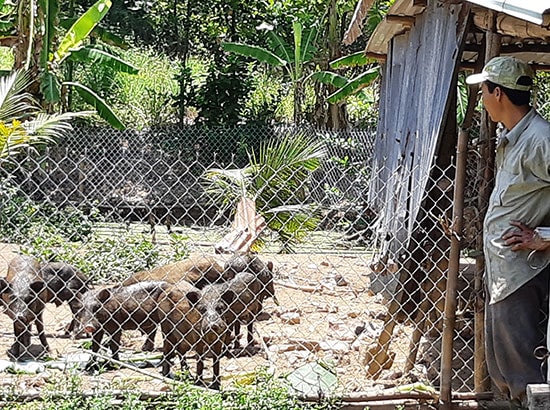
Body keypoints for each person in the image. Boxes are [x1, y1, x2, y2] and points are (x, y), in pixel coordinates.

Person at [466, 56, 550, 409]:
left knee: (524, 373)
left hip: (523, 273)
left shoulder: (540, 139)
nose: (482, 99)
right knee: (506, 370)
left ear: (497, 93)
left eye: (483, 91)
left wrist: (544, 236)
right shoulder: (514, 137)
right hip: (505, 272)